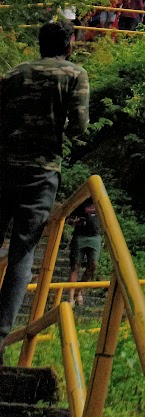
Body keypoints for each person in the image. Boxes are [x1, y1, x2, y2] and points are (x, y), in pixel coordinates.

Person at [0, 23, 89, 351]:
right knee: (23, 252)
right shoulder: (74, 74)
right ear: (70, 44)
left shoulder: (14, 74)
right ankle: (0, 338)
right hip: (41, 173)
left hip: (3, 166)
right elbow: (79, 127)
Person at [67, 196, 102, 307]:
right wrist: (75, 222)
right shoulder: (81, 202)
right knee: (75, 266)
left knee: (93, 265)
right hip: (80, 236)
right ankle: (71, 297)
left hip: (95, 237)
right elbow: (69, 219)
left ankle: (79, 291)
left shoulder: (101, 201)